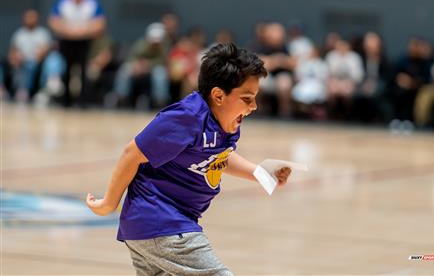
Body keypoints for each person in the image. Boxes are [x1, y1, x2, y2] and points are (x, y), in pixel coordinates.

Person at [86, 43, 292, 275]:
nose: (253, 106)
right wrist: (109, 203)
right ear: (218, 95)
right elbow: (132, 153)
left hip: (156, 224)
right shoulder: (187, 118)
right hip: (161, 220)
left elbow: (219, 156)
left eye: (255, 98)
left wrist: (260, 172)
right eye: (246, 98)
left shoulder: (228, 121)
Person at [48, 0, 106, 107]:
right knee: (65, 70)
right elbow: (54, 21)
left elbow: (100, 24)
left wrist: (82, 32)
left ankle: (82, 101)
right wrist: (68, 31)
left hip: (84, 43)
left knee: (83, 71)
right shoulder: (63, 3)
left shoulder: (92, 4)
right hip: (66, 42)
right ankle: (65, 100)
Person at [8, 9, 52, 102]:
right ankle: (21, 90)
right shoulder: (19, 34)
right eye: (28, 17)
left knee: (32, 65)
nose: (30, 19)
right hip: (22, 61)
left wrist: (41, 53)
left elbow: (46, 48)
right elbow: (13, 51)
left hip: (38, 61)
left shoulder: (42, 33)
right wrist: (14, 57)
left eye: (32, 17)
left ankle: (31, 90)